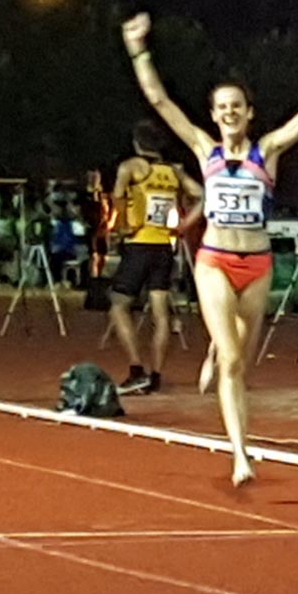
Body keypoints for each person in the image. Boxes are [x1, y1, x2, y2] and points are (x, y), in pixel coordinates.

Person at [122, 12, 298, 484]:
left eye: (238, 106)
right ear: (215, 115)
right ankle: (241, 454)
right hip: (215, 260)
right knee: (234, 362)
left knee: (242, 359)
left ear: (249, 113)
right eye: (222, 107)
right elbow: (159, 99)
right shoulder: (203, 150)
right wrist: (138, 48)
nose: (230, 113)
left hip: (257, 265)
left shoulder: (269, 151)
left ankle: (218, 351)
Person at [107, 119, 203, 394]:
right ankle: (156, 375)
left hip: (139, 245)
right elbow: (202, 195)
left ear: (137, 143)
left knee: (118, 305)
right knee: (161, 313)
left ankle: (137, 370)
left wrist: (124, 225)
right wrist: (184, 225)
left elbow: (116, 197)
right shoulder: (173, 171)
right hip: (164, 247)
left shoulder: (132, 167)